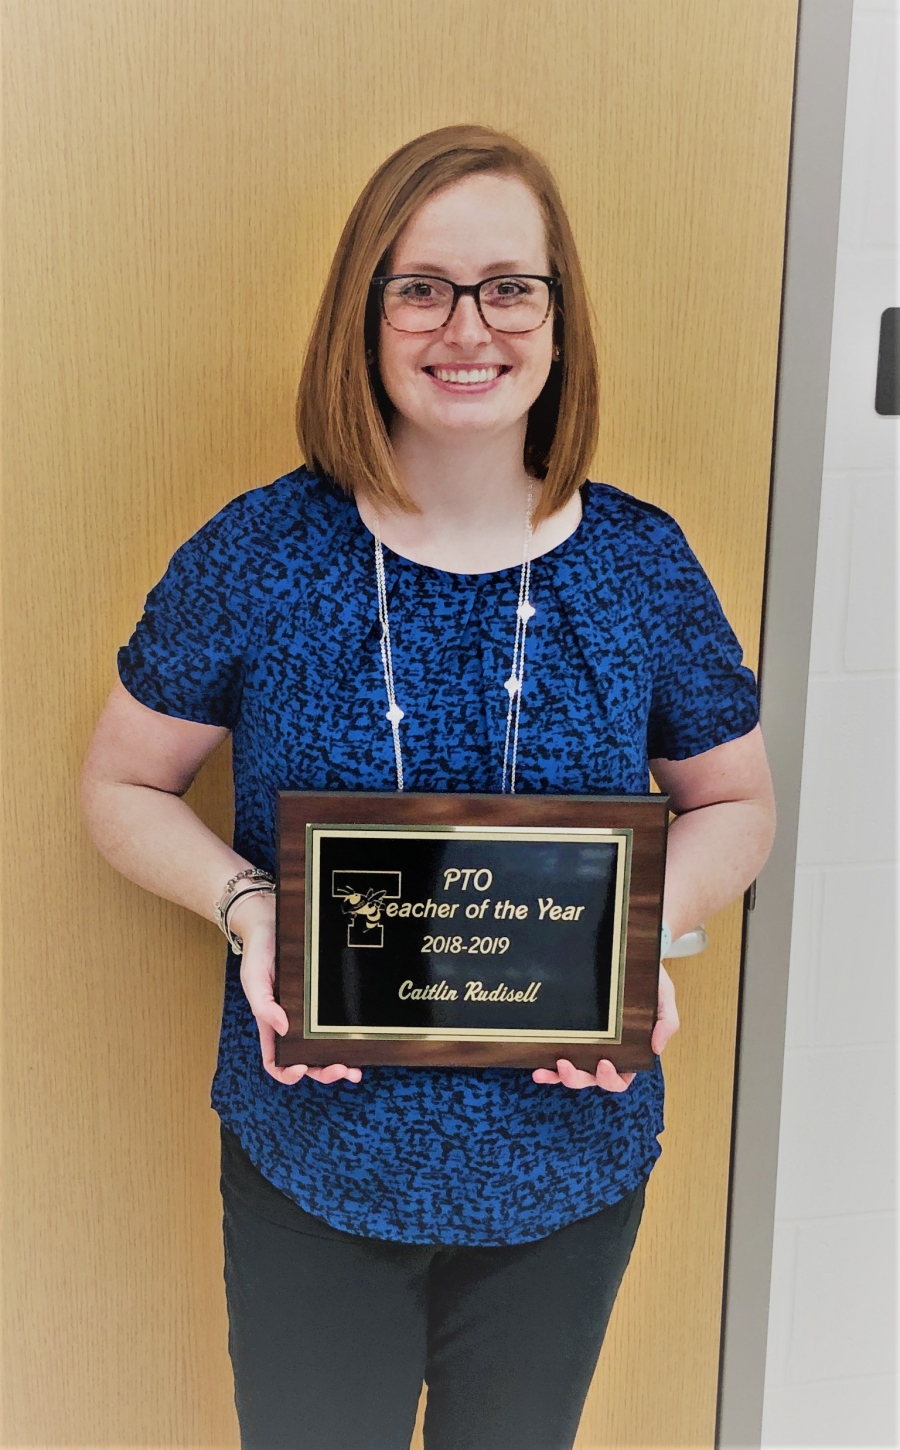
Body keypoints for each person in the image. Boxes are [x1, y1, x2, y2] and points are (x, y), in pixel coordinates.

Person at [81, 125, 776, 1450]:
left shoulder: (640, 564)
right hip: (314, 1164)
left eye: (510, 285)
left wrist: (634, 940)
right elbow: (120, 784)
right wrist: (250, 909)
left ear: (559, 317)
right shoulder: (262, 550)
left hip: (566, 1172)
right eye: (423, 286)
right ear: (368, 313)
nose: (470, 325)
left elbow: (738, 804)